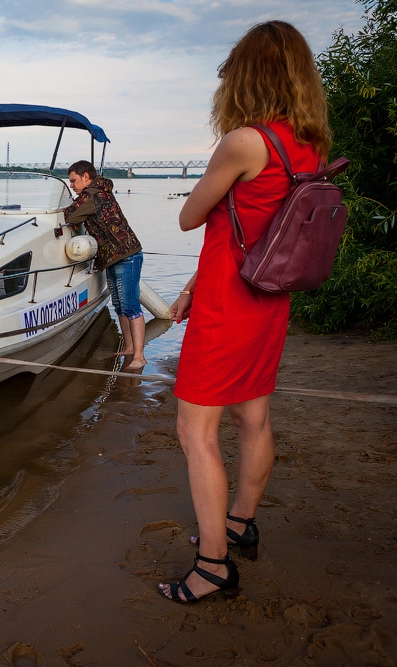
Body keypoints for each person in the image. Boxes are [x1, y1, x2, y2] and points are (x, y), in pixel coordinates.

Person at [159, 21, 330, 604]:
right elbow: (256, 230)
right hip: (268, 297)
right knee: (252, 418)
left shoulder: (243, 142)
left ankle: (213, 567)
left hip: (231, 305)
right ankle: (240, 524)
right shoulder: (308, 144)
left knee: (195, 430)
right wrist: (189, 285)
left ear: (247, 76)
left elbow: (189, 217)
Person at [64, 160, 146, 369]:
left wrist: (72, 216)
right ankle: (129, 348)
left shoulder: (93, 195)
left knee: (130, 306)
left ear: (86, 177)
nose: (71, 185)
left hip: (126, 255)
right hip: (114, 256)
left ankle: (139, 356)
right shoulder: (98, 192)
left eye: (73, 181)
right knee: (119, 305)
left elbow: (70, 214)